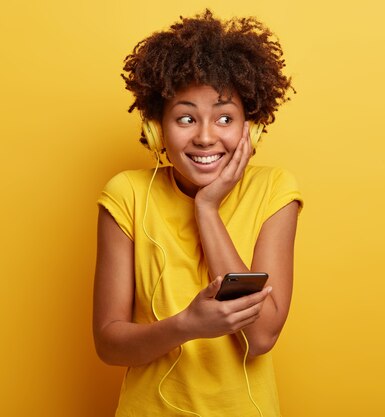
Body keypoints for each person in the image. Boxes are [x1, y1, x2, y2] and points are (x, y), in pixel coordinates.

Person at [93, 9, 302, 417]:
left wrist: (207, 207)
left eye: (224, 117)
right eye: (186, 118)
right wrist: (187, 325)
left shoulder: (275, 190)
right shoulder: (127, 195)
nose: (205, 136)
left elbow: (260, 337)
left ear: (250, 128)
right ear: (158, 128)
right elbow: (108, 343)